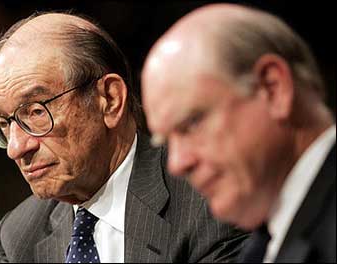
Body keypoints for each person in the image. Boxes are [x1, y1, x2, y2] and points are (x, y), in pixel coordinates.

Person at [0, 11, 248, 263]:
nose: (16, 148)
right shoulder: (18, 235)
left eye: (36, 112)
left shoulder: (207, 199)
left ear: (109, 100)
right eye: (5, 123)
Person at [141, 3, 336, 263]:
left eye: (192, 123)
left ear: (272, 88)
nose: (177, 164)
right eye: (167, 140)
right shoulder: (260, 247)